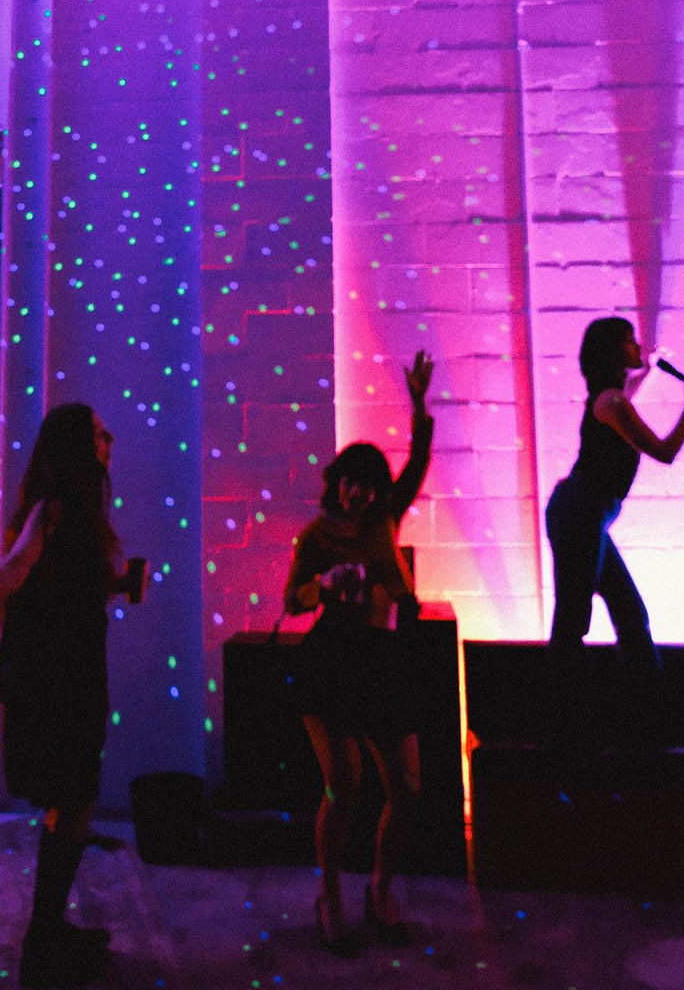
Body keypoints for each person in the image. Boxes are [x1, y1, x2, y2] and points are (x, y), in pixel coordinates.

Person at [0, 403, 143, 989]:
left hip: (71, 669)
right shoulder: (57, 507)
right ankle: (42, 947)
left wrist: (119, 584)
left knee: (74, 799)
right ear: (78, 447)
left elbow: (60, 585)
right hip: (59, 677)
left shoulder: (80, 511)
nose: (108, 438)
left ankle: (49, 932)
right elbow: (9, 576)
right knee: (75, 797)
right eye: (98, 432)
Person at [282, 351, 434, 956]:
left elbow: (418, 461)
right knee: (343, 783)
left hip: (380, 656)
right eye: (348, 480)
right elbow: (292, 601)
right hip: (330, 659)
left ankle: (380, 887)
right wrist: (324, 584)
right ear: (335, 480)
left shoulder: (384, 520)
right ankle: (330, 895)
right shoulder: (315, 536)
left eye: (368, 485)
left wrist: (419, 405)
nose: (356, 492)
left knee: (408, 788)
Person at [545, 317, 684, 754]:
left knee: (629, 614)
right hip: (581, 513)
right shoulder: (613, 403)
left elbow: (630, 390)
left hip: (585, 514)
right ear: (615, 351)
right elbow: (666, 451)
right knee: (575, 621)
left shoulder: (610, 400)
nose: (638, 346)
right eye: (630, 341)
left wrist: (650, 369)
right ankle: (566, 733)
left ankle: (648, 727)